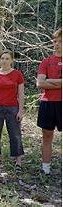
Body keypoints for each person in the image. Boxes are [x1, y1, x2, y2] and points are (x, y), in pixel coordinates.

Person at [0, 49, 25, 171]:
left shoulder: (17, 74)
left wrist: (20, 110)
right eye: (2, 58)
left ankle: (18, 161)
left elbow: (21, 93)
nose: (4, 61)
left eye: (7, 58)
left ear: (12, 60)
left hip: (13, 107)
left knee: (15, 135)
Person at [36, 28, 62, 175]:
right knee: (47, 135)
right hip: (48, 103)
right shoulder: (46, 61)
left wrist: (50, 81)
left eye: (60, 41)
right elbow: (40, 83)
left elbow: (46, 82)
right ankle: (46, 169)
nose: (57, 44)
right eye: (55, 41)